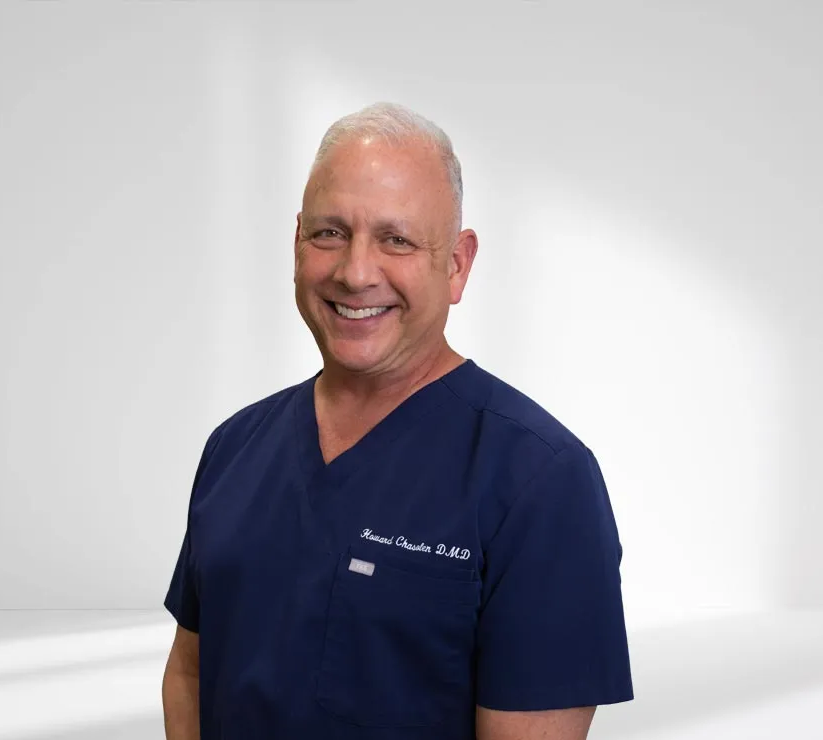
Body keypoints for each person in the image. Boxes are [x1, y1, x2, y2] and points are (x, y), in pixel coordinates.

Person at [162, 102, 634, 740]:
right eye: (330, 232)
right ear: (297, 242)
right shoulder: (235, 448)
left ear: (457, 265)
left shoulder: (541, 480)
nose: (356, 273)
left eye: (397, 239)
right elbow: (191, 675)